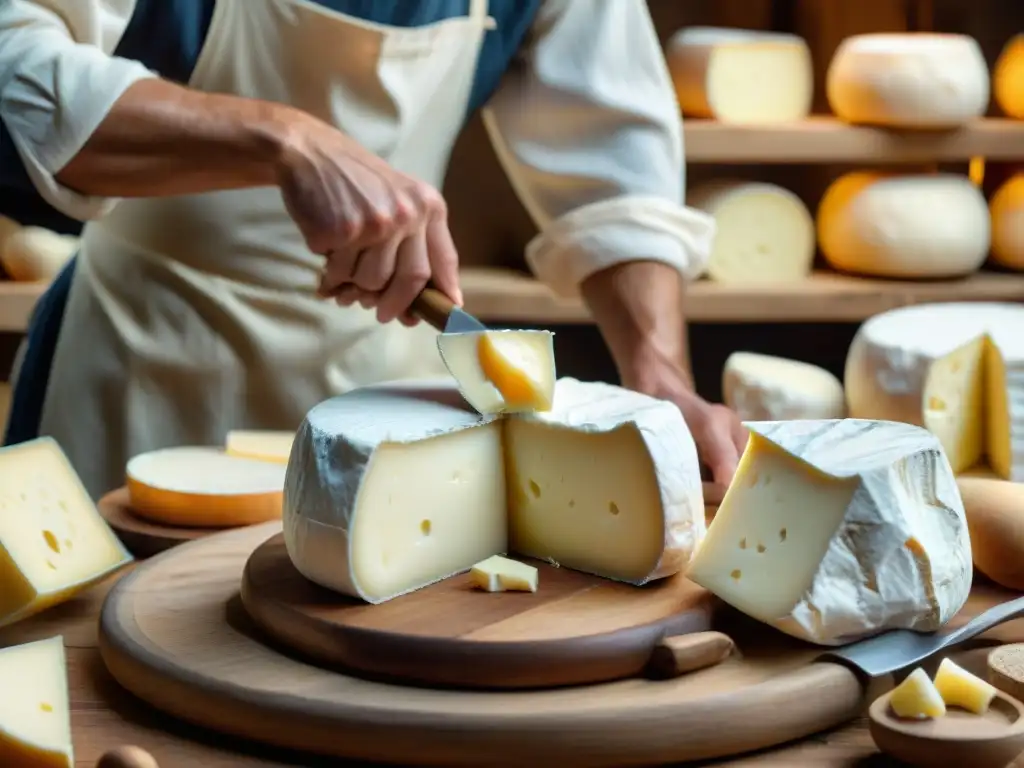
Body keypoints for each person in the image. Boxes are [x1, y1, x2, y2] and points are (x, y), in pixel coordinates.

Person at [0, 0, 747, 500]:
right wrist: (283, 138)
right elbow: (14, 66)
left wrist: (658, 378)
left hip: (389, 386)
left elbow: (615, 182)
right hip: (141, 369)